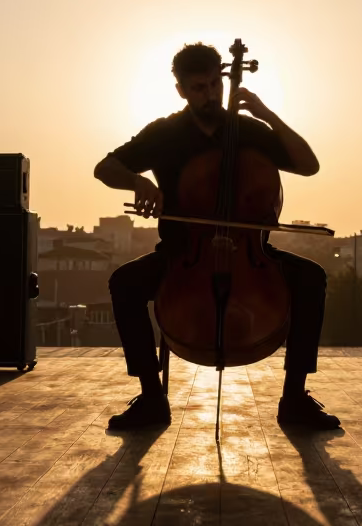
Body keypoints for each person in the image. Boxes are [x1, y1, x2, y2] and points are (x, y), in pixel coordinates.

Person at [93, 42, 341, 431]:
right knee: (123, 283)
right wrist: (137, 182)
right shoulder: (165, 133)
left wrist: (267, 113)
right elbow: (104, 168)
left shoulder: (247, 130)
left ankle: (295, 398)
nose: (209, 95)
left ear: (223, 79)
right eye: (198, 88)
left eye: (214, 85)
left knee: (312, 278)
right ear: (180, 91)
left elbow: (308, 165)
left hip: (252, 254)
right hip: (182, 255)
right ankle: (151, 398)